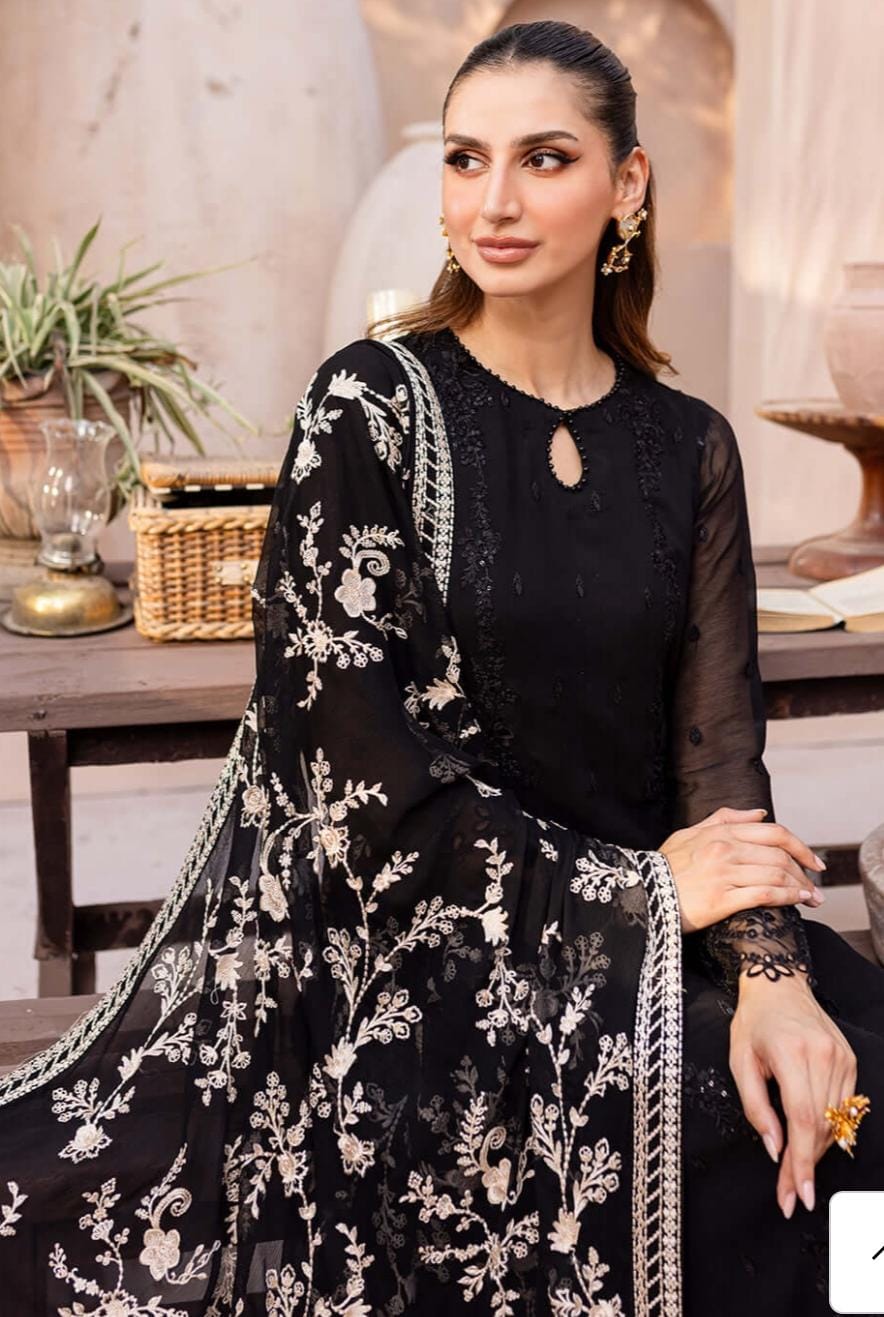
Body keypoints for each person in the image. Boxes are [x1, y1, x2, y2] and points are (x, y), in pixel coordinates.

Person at [0, 18, 882, 1316]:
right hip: (419, 944)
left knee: (848, 1081)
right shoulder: (368, 409)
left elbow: (717, 753)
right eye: (467, 160)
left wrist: (772, 974)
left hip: (659, 919)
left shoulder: (687, 444)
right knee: (711, 1122)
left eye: (544, 159)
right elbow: (356, 778)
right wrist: (640, 890)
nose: (495, 202)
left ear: (629, 183)